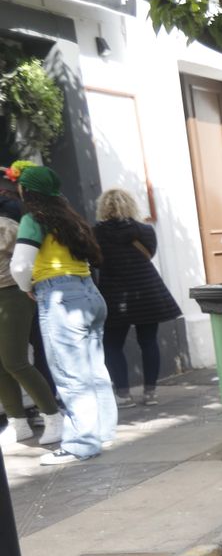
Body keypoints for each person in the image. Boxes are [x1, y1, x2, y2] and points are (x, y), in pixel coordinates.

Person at [8, 166, 116, 465]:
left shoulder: (33, 219)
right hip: (89, 293)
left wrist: (27, 286)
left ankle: (81, 444)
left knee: (71, 375)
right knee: (94, 370)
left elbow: (20, 265)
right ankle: (102, 431)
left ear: (26, 191)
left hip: (60, 298)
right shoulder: (70, 218)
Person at [93, 188, 181, 407]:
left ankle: (123, 394)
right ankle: (150, 393)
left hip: (115, 295)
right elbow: (149, 253)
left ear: (103, 206)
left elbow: (95, 262)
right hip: (147, 292)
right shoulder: (145, 231)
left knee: (112, 345)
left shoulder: (96, 233)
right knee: (148, 341)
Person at [0, 165, 62, 449]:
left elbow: (26, 259)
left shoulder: (6, 225)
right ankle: (18, 423)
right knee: (2, 364)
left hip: (11, 294)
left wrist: (28, 285)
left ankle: (53, 416)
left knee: (15, 361)